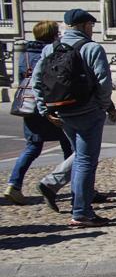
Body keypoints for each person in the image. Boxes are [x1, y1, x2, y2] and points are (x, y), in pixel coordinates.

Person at [31, 8, 116, 227]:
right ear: (85, 26)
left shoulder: (51, 48)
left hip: (63, 111)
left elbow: (37, 81)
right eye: (91, 25)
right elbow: (104, 83)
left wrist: (46, 110)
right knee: (86, 161)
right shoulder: (92, 48)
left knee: (80, 157)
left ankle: (56, 188)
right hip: (88, 112)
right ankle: (81, 212)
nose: (92, 29)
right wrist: (102, 107)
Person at [5, 20, 72, 206]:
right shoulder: (51, 53)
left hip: (30, 107)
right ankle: (80, 188)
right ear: (52, 35)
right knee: (70, 147)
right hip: (49, 106)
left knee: (32, 147)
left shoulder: (24, 55)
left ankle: (14, 184)